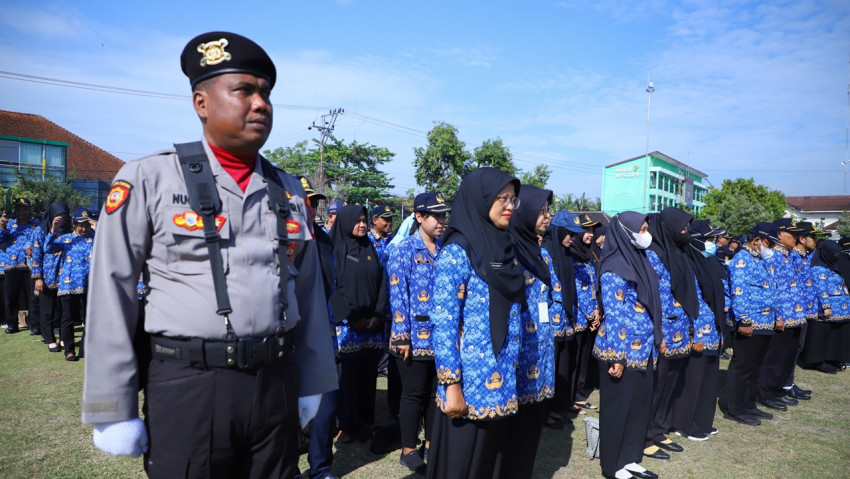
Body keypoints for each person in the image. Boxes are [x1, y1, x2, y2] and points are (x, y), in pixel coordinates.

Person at [81, 32, 338, 478]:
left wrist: (312, 383)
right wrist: (111, 405)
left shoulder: (289, 190)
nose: (261, 104)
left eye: (266, 93)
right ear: (202, 103)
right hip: (189, 384)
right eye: (244, 90)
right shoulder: (151, 178)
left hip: (275, 379)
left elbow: (312, 293)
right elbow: (111, 289)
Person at [428, 168, 524, 479]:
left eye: (513, 200)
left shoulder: (505, 249)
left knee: (489, 465)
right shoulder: (457, 252)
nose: (509, 206)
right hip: (467, 390)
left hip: (501, 385)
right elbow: (443, 324)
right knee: (461, 466)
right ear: (481, 200)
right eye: (502, 199)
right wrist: (451, 384)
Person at [592, 211, 661, 479]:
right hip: (620, 350)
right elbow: (615, 312)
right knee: (617, 409)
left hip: (643, 349)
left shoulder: (639, 259)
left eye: (646, 228)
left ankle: (631, 457)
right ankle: (613, 464)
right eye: (641, 229)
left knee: (638, 406)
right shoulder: (614, 266)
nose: (646, 234)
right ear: (626, 232)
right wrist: (617, 357)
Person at [386, 192, 449, 475]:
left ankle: (432, 443)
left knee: (437, 392)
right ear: (420, 217)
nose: (441, 221)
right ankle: (408, 448)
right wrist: (402, 335)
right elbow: (398, 294)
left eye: (443, 215)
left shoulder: (445, 248)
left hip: (440, 336)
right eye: (435, 215)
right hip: (412, 335)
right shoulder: (403, 249)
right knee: (413, 393)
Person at [503, 185, 555, 478]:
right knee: (515, 424)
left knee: (532, 423)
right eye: (542, 210)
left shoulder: (540, 253)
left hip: (542, 346)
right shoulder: (510, 250)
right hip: (519, 349)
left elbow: (548, 298)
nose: (546, 216)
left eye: (548, 210)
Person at [330, 205, 387, 443]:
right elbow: (332, 287)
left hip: (370, 328)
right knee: (347, 379)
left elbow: (382, 282)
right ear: (345, 222)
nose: (362, 225)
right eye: (358, 221)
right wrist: (352, 317)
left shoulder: (369, 248)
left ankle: (365, 423)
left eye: (364, 220)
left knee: (367, 377)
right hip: (348, 327)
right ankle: (345, 426)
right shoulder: (336, 250)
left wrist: (378, 314)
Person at [642, 208, 694, 459]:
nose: (687, 234)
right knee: (656, 385)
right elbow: (654, 298)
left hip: (680, 331)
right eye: (683, 229)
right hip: (662, 332)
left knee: (670, 384)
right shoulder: (652, 254)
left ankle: (659, 427)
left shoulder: (678, 252)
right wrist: (658, 333)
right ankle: (644, 435)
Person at [297, 176, 339, 479]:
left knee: (325, 408)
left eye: (314, 202)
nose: (311, 207)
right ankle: (286, 468)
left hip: (323, 335)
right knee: (286, 411)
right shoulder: (276, 237)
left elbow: (332, 283)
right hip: (288, 337)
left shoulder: (324, 239)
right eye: (305, 201)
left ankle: (321, 468)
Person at [668, 219, 726, 441]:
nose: (713, 244)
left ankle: (702, 421)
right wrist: (695, 333)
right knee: (693, 380)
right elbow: (690, 301)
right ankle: (686, 423)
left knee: (709, 381)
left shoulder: (707, 262)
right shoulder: (687, 262)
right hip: (699, 331)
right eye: (708, 240)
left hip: (713, 329)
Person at [723, 222, 780, 427]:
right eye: (769, 243)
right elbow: (739, 292)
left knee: (755, 367)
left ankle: (748, 404)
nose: (771, 248)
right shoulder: (742, 259)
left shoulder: (758, 260)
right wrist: (744, 320)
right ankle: (735, 409)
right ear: (756, 240)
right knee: (743, 367)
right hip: (750, 323)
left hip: (765, 323)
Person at [755, 218, 807, 410]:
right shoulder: (771, 257)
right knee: (773, 359)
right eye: (793, 234)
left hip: (795, 316)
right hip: (781, 318)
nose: (796, 238)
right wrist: (778, 316)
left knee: (786, 358)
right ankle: (765, 392)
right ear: (780, 235)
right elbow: (772, 289)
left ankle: (778, 390)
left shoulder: (788, 256)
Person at [539, 216, 577, 428]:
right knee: (549, 368)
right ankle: (545, 412)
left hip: (564, 320)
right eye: (568, 233)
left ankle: (555, 408)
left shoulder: (564, 253)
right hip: (550, 322)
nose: (572, 238)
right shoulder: (547, 252)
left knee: (562, 366)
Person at [44, 208, 96, 361]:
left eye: (86, 225)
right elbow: (48, 248)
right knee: (67, 319)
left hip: (90, 285)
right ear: (73, 224)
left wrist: (98, 229)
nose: (84, 228)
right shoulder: (66, 239)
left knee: (90, 319)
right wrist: (53, 229)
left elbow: (112, 245)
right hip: (69, 286)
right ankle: (69, 350)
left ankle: (88, 349)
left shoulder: (96, 238)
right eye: (80, 225)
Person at [801, 240, 850, 373]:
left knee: (833, 337)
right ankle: (818, 362)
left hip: (839, 309)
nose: (836, 255)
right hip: (827, 310)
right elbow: (820, 288)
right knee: (821, 336)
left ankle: (832, 359)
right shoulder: (818, 268)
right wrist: (826, 306)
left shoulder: (832, 265)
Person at [31, 201, 71, 353]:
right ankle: (49, 339)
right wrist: (38, 278)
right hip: (47, 277)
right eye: (58, 217)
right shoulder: (40, 231)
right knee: (47, 310)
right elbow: (37, 255)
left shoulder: (69, 231)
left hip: (65, 278)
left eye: (64, 217)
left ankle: (62, 337)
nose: (61, 220)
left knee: (62, 310)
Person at [0, 197, 40, 334]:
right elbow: (1, 240)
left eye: (25, 209)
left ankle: (35, 325)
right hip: (12, 264)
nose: (22, 212)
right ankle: (12, 324)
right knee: (11, 296)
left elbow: (38, 240)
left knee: (33, 296)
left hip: (30, 265)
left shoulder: (37, 224)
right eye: (19, 209)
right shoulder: (10, 225)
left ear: (30, 209)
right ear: (15, 210)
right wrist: (2, 226)